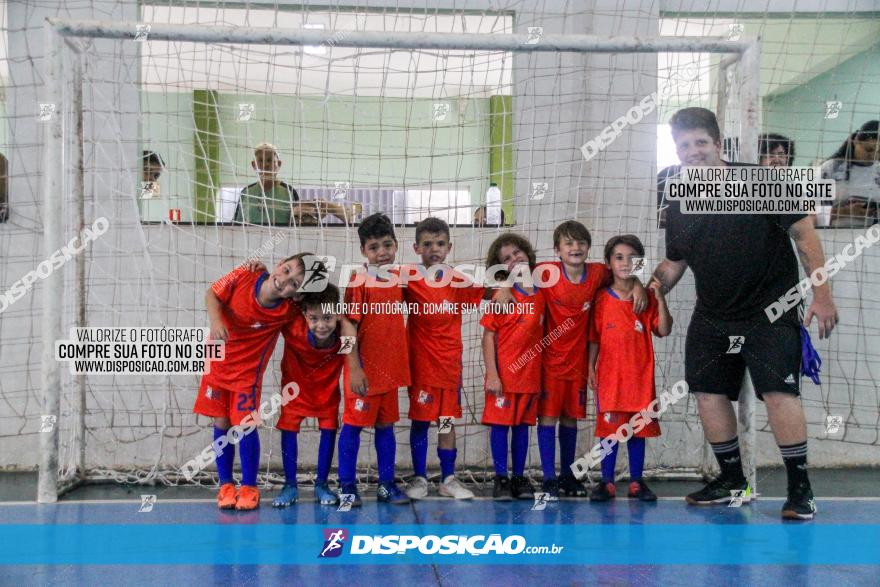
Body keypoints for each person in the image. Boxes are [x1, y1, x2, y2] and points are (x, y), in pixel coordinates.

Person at [652, 107, 838, 520]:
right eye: (684, 145)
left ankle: (800, 489)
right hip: (714, 315)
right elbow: (674, 261)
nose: (693, 151)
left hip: (771, 312)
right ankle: (733, 479)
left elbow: (805, 234)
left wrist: (822, 294)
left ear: (718, 144)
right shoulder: (680, 198)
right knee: (707, 394)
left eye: (700, 142)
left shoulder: (761, 181)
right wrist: (651, 287)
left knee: (779, 394)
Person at [535, 220, 647, 500]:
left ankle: (568, 476)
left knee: (571, 419)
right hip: (548, 361)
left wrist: (639, 285)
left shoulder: (598, 273)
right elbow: (515, 281)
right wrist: (501, 289)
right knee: (548, 418)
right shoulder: (545, 273)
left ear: (588, 248)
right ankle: (549, 478)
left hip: (579, 362)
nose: (575, 247)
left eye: (581, 243)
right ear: (557, 250)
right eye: (568, 243)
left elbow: (626, 273)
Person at [192, 255, 308, 510]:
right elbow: (211, 293)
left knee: (244, 426)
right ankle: (225, 484)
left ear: (296, 295)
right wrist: (216, 321)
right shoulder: (244, 273)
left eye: (294, 284)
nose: (285, 280)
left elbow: (316, 308)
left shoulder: (287, 310)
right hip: (216, 365)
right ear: (279, 264)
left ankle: (249, 486)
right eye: (286, 270)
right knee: (221, 422)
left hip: (247, 376)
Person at [404, 217, 487, 500]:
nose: (434, 249)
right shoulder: (408, 279)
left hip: (450, 365)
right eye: (427, 244)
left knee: (446, 422)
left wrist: (506, 289)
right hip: (420, 366)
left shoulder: (457, 279)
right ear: (417, 247)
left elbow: (485, 292)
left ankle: (448, 478)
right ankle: (419, 478)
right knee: (420, 422)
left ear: (449, 247)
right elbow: (381, 287)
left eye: (440, 244)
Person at [587, 234, 672, 502]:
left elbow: (663, 329)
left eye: (631, 258)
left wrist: (659, 296)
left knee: (637, 431)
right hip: (610, 378)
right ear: (609, 263)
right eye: (619, 257)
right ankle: (607, 482)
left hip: (640, 378)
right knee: (608, 433)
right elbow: (593, 338)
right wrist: (590, 366)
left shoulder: (646, 298)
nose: (625, 263)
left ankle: (637, 481)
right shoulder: (601, 299)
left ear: (639, 263)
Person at [336, 213, 411, 505]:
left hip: (390, 372)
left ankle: (386, 485)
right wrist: (354, 368)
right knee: (353, 427)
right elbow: (347, 325)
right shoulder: (359, 280)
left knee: (386, 428)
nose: (382, 252)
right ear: (363, 252)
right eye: (374, 247)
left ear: (396, 245)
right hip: (363, 372)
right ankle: (346, 485)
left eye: (387, 245)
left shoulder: (401, 279)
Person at [481, 233, 544, 501]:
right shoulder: (501, 296)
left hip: (530, 377)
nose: (514, 259)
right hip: (504, 377)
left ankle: (519, 477)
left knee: (521, 428)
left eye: (517, 253)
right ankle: (501, 477)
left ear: (527, 254)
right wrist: (493, 374)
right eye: (506, 259)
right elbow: (488, 336)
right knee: (500, 426)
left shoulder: (543, 293)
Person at [273, 284, 345, 507]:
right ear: (304, 315)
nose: (321, 325)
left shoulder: (345, 334)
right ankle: (290, 485)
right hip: (295, 394)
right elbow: (281, 299)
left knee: (329, 431)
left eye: (327, 317)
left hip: (327, 395)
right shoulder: (293, 327)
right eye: (314, 318)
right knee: (288, 430)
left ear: (338, 314)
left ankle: (322, 485)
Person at [821, 120, 880, 228]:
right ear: (856, 141)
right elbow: (810, 212)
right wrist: (847, 211)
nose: (873, 156)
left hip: (873, 237)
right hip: (834, 236)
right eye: (869, 149)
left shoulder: (878, 170)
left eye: (879, 152)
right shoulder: (830, 168)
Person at [235, 143, 299, 225]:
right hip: (250, 237)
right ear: (254, 165)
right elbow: (236, 226)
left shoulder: (290, 192)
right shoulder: (246, 193)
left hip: (280, 237)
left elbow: (298, 224)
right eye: (261, 160)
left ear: (278, 164)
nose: (265, 165)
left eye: (270, 160)